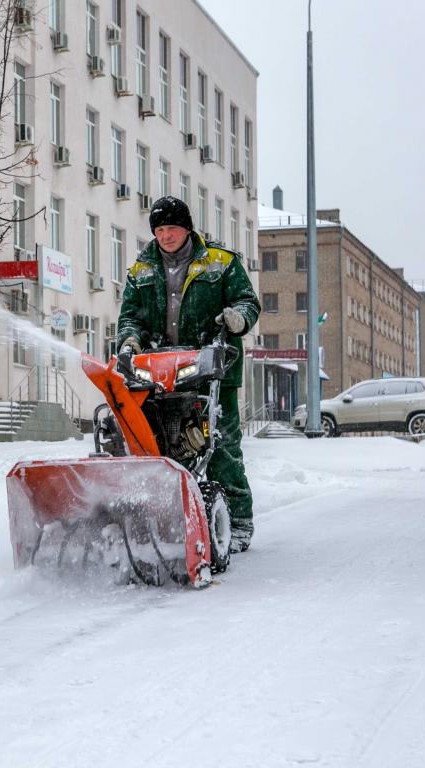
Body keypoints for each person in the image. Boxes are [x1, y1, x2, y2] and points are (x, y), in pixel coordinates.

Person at [115, 195, 261, 552]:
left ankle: (238, 521)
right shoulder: (141, 271)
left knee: (221, 446)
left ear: (187, 228)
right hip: (156, 372)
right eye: (160, 229)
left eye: (172, 228)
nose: (166, 235)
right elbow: (130, 316)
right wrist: (130, 340)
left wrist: (237, 319)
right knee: (153, 444)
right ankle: (158, 515)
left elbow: (247, 301)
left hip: (212, 370)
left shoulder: (219, 262)